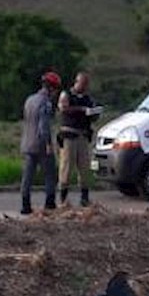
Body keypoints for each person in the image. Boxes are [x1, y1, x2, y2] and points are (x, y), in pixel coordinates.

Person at [20, 71, 62, 215]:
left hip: (27, 142)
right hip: (41, 144)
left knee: (28, 176)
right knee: (50, 174)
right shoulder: (46, 103)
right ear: (51, 88)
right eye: (56, 89)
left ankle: (25, 205)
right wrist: (49, 144)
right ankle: (49, 203)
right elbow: (43, 126)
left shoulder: (29, 100)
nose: (56, 93)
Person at [57, 72, 98, 207]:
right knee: (66, 168)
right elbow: (63, 108)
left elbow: (92, 114)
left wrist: (93, 113)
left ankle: (84, 198)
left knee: (84, 168)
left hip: (83, 135)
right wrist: (81, 110)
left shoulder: (87, 98)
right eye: (83, 83)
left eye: (86, 84)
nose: (85, 86)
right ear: (77, 82)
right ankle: (63, 199)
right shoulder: (67, 95)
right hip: (69, 135)